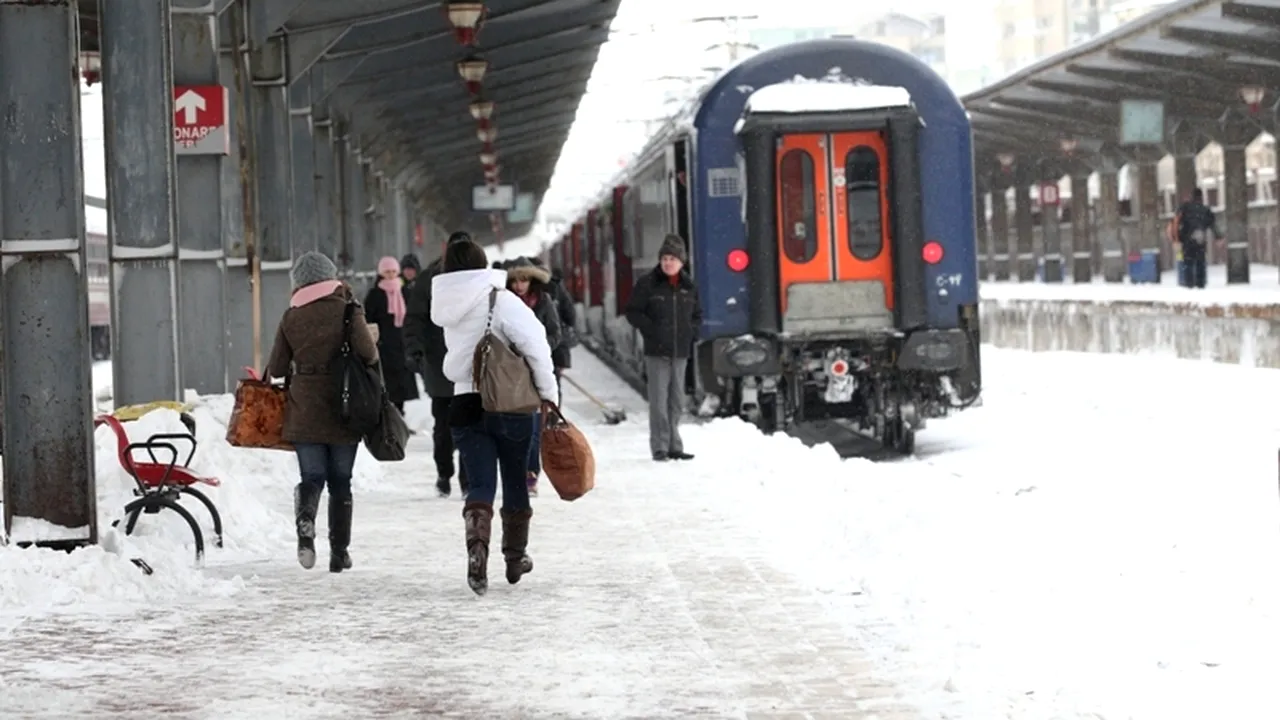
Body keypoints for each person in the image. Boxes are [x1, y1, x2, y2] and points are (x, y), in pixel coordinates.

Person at [430, 238, 558, 596]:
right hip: (509, 403)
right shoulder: (499, 300)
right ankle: (515, 558)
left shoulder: (446, 302)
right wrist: (548, 394)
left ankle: (477, 550)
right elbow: (536, 344)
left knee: (481, 484)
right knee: (515, 479)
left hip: (465, 402)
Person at [266, 251, 378, 573]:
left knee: (312, 477)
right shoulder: (348, 310)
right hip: (345, 406)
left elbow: (276, 367)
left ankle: (305, 522)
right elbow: (369, 354)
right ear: (331, 278)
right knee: (341, 481)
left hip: (304, 408)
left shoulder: (291, 316)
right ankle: (339, 552)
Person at [404, 233, 471, 499]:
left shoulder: (477, 280)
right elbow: (415, 318)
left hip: (467, 363)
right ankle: (445, 472)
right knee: (444, 425)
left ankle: (467, 478)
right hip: (439, 361)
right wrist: (415, 350)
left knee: (467, 424)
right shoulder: (430, 279)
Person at [625, 234, 701, 462]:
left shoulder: (689, 286)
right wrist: (651, 330)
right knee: (658, 401)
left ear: (681, 262)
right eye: (665, 258)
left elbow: (698, 314)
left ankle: (674, 445)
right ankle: (660, 446)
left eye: (673, 259)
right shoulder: (647, 284)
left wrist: (691, 333)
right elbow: (633, 312)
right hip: (657, 352)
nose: (668, 263)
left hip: (680, 352)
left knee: (676, 401)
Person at [505, 257, 563, 497]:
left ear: (532, 281)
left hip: (537, 367)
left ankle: (531, 472)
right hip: (511, 370)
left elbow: (555, 333)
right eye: (515, 280)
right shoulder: (504, 303)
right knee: (514, 423)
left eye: (524, 280)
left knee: (535, 423)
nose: (520, 285)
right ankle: (516, 472)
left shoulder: (544, 301)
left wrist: (537, 348)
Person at [363, 256, 419, 413]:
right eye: (387, 271)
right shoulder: (375, 294)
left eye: (394, 271)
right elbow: (369, 318)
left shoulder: (405, 291)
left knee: (402, 383)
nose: (391, 274)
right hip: (384, 344)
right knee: (386, 382)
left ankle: (400, 413)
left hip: (402, 343)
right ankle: (387, 413)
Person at [539, 259, 578, 404]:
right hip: (556, 347)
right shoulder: (557, 288)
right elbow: (571, 317)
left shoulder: (524, 292)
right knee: (553, 387)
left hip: (535, 349)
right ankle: (553, 414)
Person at [1172, 188, 1223, 289]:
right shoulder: (1205, 210)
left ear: (1192, 196)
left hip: (1187, 240)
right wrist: (1218, 237)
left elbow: (1176, 222)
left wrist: (1176, 239)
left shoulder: (1185, 208)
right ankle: (1200, 283)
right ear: (1201, 197)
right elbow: (1213, 224)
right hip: (1200, 239)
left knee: (1188, 262)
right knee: (1200, 261)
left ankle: (1189, 283)